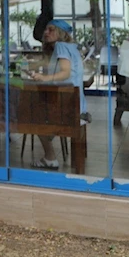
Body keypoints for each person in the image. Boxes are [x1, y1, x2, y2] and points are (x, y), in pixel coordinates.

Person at [28, 19, 85, 169]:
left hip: (65, 103)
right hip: (76, 103)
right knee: (41, 115)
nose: (46, 32)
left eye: (51, 30)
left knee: (33, 119)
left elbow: (65, 72)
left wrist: (45, 78)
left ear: (61, 33)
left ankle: (50, 158)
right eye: (46, 29)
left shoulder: (61, 46)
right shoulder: (71, 47)